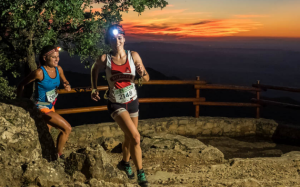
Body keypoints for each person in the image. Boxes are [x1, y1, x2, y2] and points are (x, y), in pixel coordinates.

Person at [91, 24, 150, 187]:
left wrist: (141, 72)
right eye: (113, 38)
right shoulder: (105, 58)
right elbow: (94, 69)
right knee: (136, 137)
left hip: (132, 101)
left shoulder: (134, 56)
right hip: (116, 102)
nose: (116, 40)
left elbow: (147, 79)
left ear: (124, 39)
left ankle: (124, 163)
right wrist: (94, 88)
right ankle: (141, 174)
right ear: (109, 41)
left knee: (129, 138)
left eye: (119, 37)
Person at [17, 45, 72, 160]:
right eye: (53, 57)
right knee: (67, 128)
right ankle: (59, 155)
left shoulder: (59, 69)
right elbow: (22, 84)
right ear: (45, 58)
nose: (57, 59)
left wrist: (67, 85)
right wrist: (19, 100)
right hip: (41, 107)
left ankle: (45, 158)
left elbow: (65, 80)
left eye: (58, 57)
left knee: (44, 136)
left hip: (51, 106)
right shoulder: (39, 73)